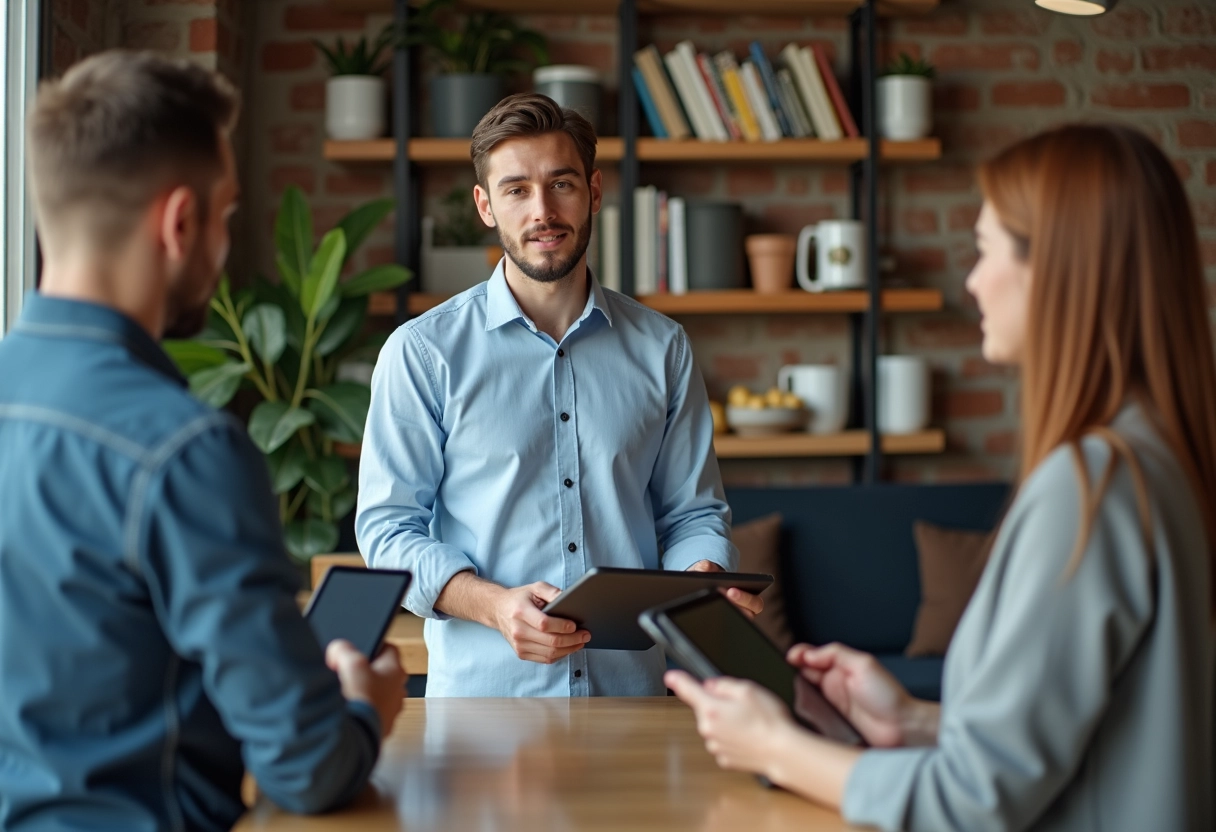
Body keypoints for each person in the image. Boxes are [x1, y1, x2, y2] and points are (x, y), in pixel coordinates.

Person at [666, 123, 1216, 831]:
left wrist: (776, 745)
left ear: (1059, 269)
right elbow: (1085, 737)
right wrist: (918, 721)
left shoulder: (1092, 484)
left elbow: (973, 801)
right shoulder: (1158, 458)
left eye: (985, 251)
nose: (971, 281)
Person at [0, 51, 405, 832]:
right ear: (180, 221)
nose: (223, 245)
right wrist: (365, 707)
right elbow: (307, 765)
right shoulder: (184, 448)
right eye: (224, 216)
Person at [356, 93, 761, 698]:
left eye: (561, 184)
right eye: (516, 189)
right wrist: (493, 606)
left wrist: (702, 575)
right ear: (485, 206)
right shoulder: (421, 354)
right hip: (484, 720)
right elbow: (389, 532)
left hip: (633, 710)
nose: (542, 210)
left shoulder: (664, 348)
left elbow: (692, 515)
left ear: (595, 191)